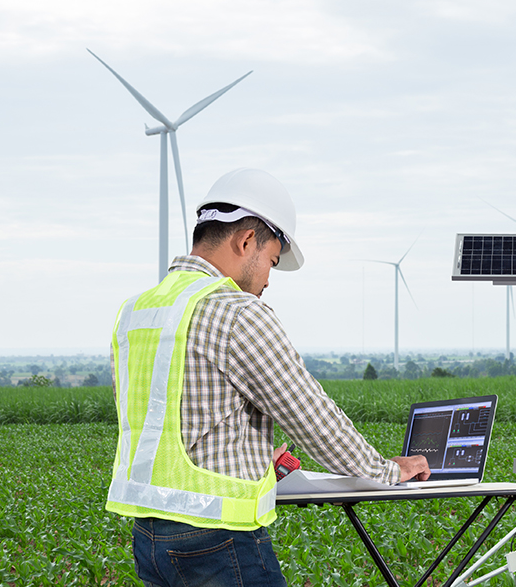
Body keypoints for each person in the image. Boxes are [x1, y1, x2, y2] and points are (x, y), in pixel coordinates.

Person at [106, 167, 429, 587]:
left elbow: (165, 419)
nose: (268, 280)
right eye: (272, 261)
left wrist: (254, 456)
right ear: (245, 242)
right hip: (216, 539)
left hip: (150, 540)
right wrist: (387, 470)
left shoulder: (137, 311)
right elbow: (312, 418)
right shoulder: (237, 311)